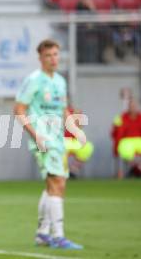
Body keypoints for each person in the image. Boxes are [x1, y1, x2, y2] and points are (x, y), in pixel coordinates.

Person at [14, 39, 83, 249]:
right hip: (43, 139)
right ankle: (58, 235)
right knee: (58, 183)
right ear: (40, 58)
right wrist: (35, 135)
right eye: (48, 55)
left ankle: (43, 234)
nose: (53, 59)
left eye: (55, 54)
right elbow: (18, 110)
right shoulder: (34, 80)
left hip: (57, 139)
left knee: (53, 184)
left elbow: (63, 111)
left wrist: (75, 127)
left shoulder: (61, 82)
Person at [111, 98, 141, 178]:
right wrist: (116, 144)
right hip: (126, 141)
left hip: (139, 140)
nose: (133, 108)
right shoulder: (120, 117)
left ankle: (136, 169)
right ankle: (138, 168)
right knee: (125, 149)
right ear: (128, 107)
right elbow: (114, 132)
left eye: (134, 106)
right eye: (131, 106)